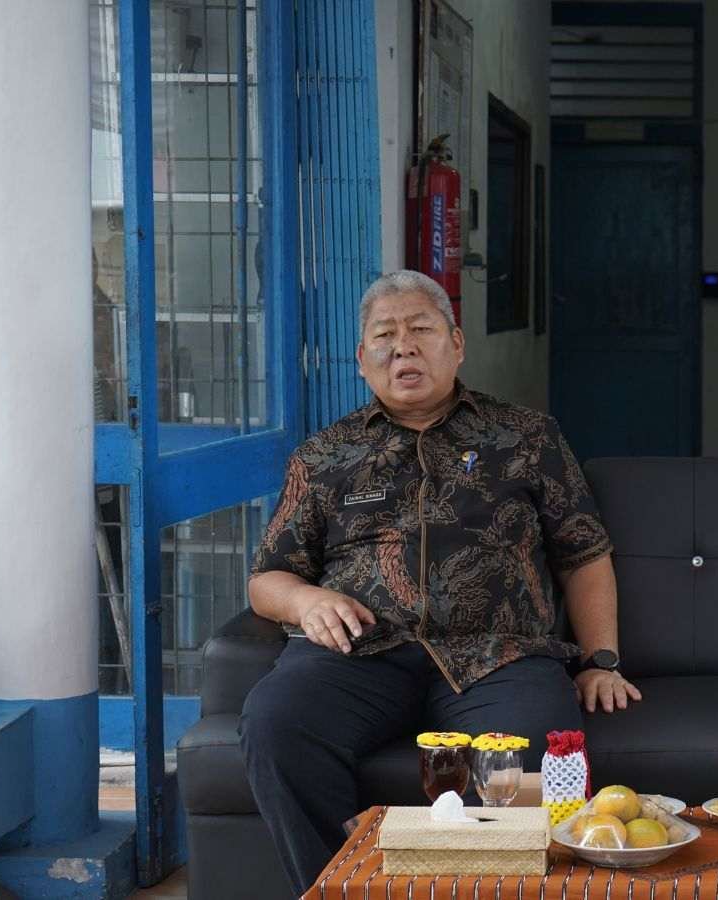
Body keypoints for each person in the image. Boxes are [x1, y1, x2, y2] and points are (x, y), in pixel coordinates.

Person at [240, 269, 641, 893]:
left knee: (530, 752)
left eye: (420, 329)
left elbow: (583, 553)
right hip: (361, 654)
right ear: (362, 360)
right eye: (385, 336)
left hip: (500, 656)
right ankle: (339, 886)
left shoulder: (527, 437)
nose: (403, 347)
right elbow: (267, 577)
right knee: (275, 722)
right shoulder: (324, 456)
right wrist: (305, 598)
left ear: (456, 344)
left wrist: (601, 660)